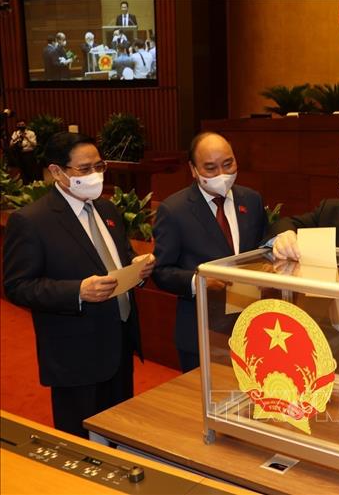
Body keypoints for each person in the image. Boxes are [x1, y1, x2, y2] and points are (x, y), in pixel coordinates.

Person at [3, 132, 156, 438]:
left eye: (99, 166)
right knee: (82, 444)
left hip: (119, 342)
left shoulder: (108, 210)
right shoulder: (32, 221)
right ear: (57, 172)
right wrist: (77, 292)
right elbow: (17, 285)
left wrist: (139, 267)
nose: (95, 175)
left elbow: (120, 256)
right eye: (84, 170)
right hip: (75, 354)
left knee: (119, 433)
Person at [152, 132, 266, 373]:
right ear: (193, 170)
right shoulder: (174, 211)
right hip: (201, 331)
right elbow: (161, 271)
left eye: (228, 164)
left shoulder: (251, 200)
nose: (222, 175)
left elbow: (260, 249)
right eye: (211, 168)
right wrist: (198, 281)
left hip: (252, 328)